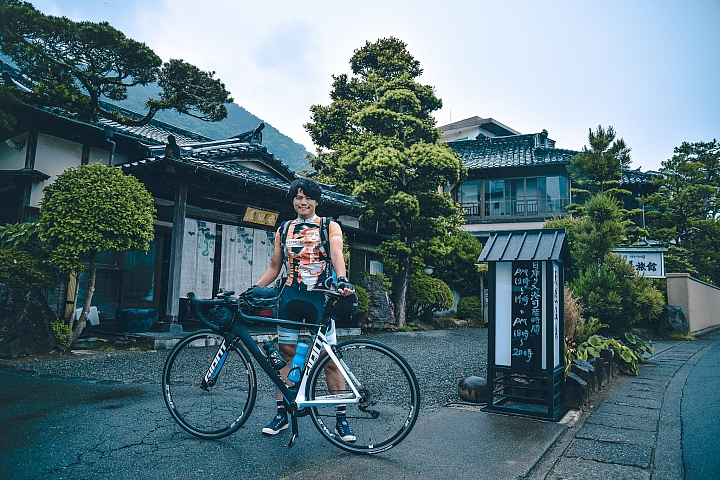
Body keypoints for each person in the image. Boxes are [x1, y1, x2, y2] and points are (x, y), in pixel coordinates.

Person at [252, 178, 357, 442]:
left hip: (319, 300)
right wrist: (253, 290)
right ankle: (281, 414)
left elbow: (336, 255)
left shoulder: (329, 226)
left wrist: (342, 279)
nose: (303, 202)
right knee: (285, 355)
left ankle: (341, 420)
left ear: (316, 200)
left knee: (330, 360)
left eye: (308, 197)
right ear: (293, 201)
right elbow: (275, 266)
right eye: (298, 197)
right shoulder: (284, 228)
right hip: (289, 298)